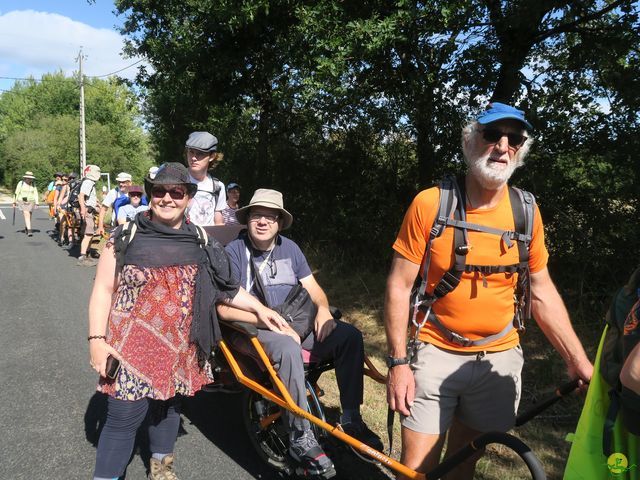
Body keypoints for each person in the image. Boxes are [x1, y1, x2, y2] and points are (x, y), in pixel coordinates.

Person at [384, 102, 594, 479]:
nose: (502, 145)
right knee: (415, 470)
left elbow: (542, 291)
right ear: (469, 141)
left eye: (514, 139)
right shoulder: (431, 203)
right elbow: (399, 286)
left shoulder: (526, 211)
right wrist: (399, 364)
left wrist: (576, 360)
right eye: (492, 134)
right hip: (434, 351)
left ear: (521, 149)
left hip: (498, 359)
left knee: (464, 466)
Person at [88, 162, 285, 480]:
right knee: (123, 417)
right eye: (160, 191)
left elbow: (227, 288)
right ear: (151, 194)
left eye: (176, 191)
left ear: (188, 196)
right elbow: (102, 290)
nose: (167, 198)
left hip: (180, 345)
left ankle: (161, 467)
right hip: (129, 347)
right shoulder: (125, 237)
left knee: (169, 407)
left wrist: (260, 309)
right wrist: (97, 341)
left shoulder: (200, 241)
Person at [218, 189, 383, 477]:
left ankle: (351, 419)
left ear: (279, 223)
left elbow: (312, 287)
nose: (263, 222)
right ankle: (299, 435)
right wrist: (263, 317)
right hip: (249, 328)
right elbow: (223, 310)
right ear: (248, 219)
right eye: (257, 215)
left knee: (350, 337)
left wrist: (321, 310)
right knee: (287, 347)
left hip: (294, 322)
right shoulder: (234, 251)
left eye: (270, 217)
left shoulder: (290, 248)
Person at [184, 131, 226, 226]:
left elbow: (218, 219)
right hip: (183, 238)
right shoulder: (177, 179)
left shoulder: (218, 186)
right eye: (191, 152)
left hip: (207, 239)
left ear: (212, 156)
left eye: (200, 154)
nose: (194, 158)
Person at [77, 164, 101, 267]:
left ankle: (86, 255)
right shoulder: (88, 182)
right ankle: (83, 257)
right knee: (89, 233)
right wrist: (83, 209)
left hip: (89, 210)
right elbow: (81, 196)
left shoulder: (88, 182)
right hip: (88, 211)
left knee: (88, 233)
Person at [13, 171, 39, 237]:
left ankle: (27, 227)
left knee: (29, 215)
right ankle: (30, 230)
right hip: (22, 201)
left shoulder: (33, 184)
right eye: (28, 178)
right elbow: (16, 192)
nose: (29, 179)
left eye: (30, 178)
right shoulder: (20, 183)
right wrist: (14, 201)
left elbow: (35, 193)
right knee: (26, 213)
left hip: (31, 201)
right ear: (25, 178)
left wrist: (37, 202)